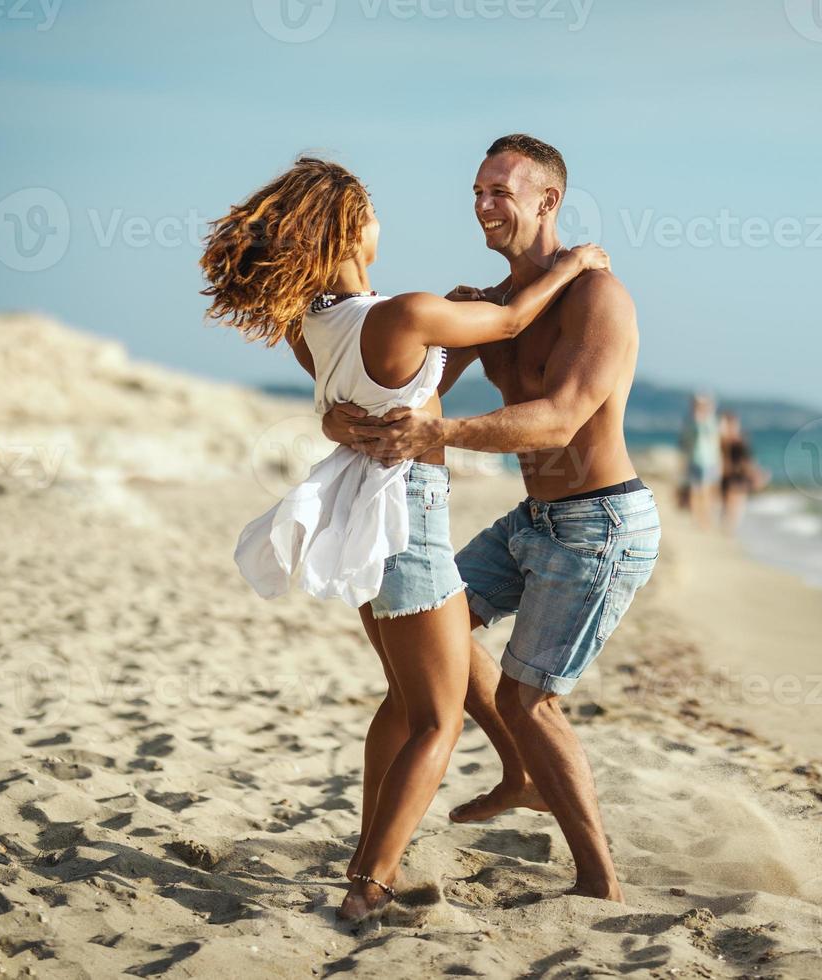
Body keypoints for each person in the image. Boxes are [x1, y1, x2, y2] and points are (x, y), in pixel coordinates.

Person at [198, 157, 608, 923]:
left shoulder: (310, 324)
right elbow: (515, 321)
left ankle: (497, 785)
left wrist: (438, 335)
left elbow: (382, 394)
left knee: (429, 683)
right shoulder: (406, 314)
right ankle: (370, 888)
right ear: (353, 228)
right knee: (436, 720)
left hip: (361, 517)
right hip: (407, 521)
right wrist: (577, 263)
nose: (384, 223)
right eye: (374, 212)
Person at [322, 134, 656, 903]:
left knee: (522, 699)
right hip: (535, 518)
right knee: (427, 638)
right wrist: (350, 419)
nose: (483, 204)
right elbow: (409, 381)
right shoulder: (492, 306)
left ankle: (599, 882)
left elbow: (561, 420)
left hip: (601, 523)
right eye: (477, 190)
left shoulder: (597, 299)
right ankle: (490, 790)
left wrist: (441, 435)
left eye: (501, 191)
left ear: (549, 201)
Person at [718, 410, 765, 532]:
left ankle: (729, 530)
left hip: (738, 477)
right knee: (729, 506)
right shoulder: (722, 441)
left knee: (735, 506)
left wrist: (756, 474)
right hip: (727, 477)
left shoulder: (740, 442)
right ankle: (726, 530)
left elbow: (749, 460)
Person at [680, 393, 721, 528]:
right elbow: (686, 442)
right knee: (697, 490)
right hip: (697, 459)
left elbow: (715, 441)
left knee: (705, 491)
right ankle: (698, 517)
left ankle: (703, 517)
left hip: (709, 460)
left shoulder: (709, 420)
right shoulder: (693, 420)